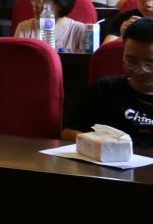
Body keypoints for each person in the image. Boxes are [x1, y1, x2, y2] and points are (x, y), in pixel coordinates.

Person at [62, 17, 153, 147]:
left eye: (150, 64)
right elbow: (69, 133)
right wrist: (101, 145)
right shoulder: (105, 89)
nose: (139, 70)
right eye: (131, 61)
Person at [13, 0, 87, 52]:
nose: (35, 5)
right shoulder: (24, 28)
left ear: (60, 3)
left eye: (41, 0)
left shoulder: (79, 30)